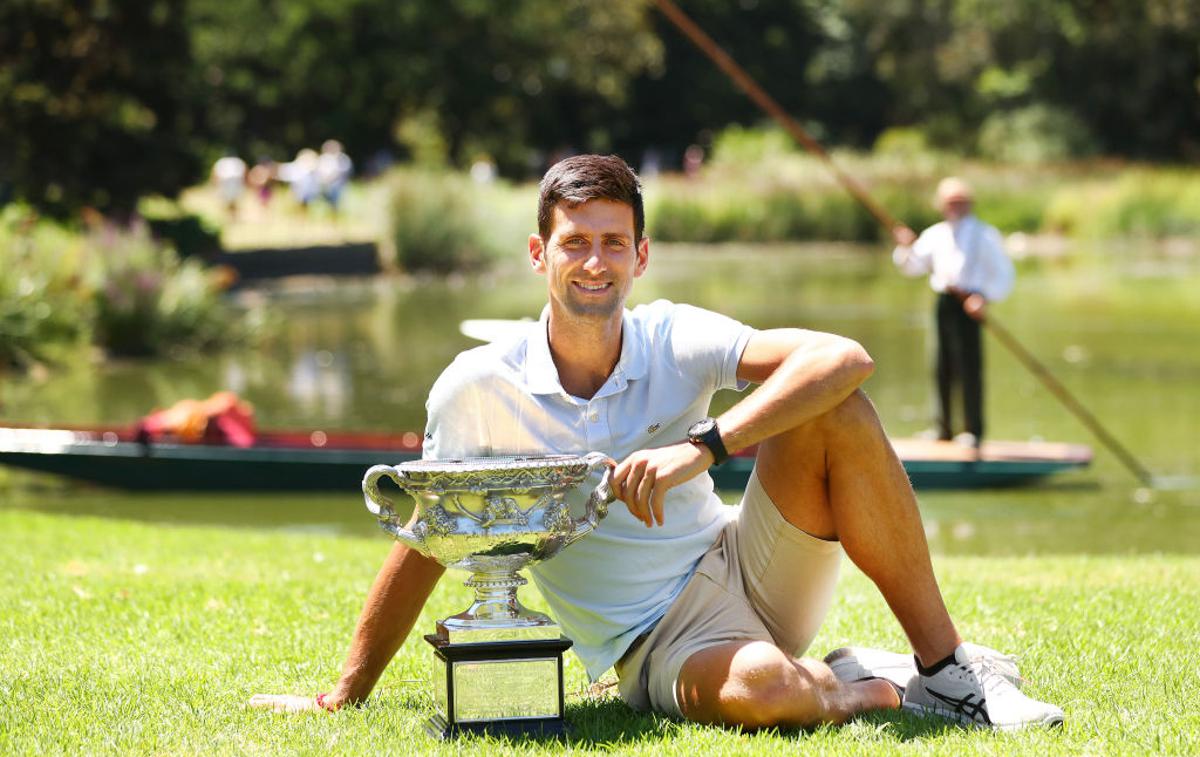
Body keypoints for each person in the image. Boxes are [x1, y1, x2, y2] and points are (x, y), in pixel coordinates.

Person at [250, 156, 1061, 731]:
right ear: (540, 255)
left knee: (835, 406)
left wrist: (707, 444)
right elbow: (428, 539)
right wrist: (343, 694)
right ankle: (865, 681)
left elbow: (843, 358)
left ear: (640, 256)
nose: (594, 262)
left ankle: (947, 669)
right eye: (574, 242)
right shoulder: (475, 387)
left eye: (612, 243)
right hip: (658, 638)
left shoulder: (675, 335)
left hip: (748, 560)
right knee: (770, 699)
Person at [892, 177, 1014, 449]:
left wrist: (984, 297)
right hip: (944, 302)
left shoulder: (985, 234)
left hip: (970, 302)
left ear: (969, 203)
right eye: (950, 202)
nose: (955, 207)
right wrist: (905, 245)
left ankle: (973, 430)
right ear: (941, 205)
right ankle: (942, 428)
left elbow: (1004, 274)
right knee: (940, 365)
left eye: (960, 201)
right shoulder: (936, 234)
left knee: (969, 368)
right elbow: (913, 266)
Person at [210, 154, 247, 219]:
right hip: (234, 183)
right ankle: (232, 216)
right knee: (232, 201)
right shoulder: (238, 161)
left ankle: (231, 216)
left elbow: (215, 174)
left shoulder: (221, 162)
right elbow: (244, 172)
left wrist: (215, 184)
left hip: (226, 183)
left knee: (228, 201)